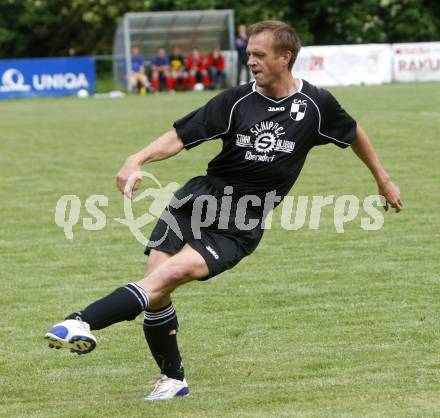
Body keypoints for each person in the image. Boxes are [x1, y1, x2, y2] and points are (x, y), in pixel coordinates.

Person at [45, 20, 403, 401]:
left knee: (171, 273)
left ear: (286, 58)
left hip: (240, 222)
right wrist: (137, 159)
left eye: (259, 55)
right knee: (156, 285)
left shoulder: (316, 106)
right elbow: (181, 136)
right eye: (249, 54)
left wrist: (381, 179)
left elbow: (354, 132)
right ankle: (173, 379)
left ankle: (81, 320)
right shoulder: (235, 101)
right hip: (196, 202)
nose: (250, 61)